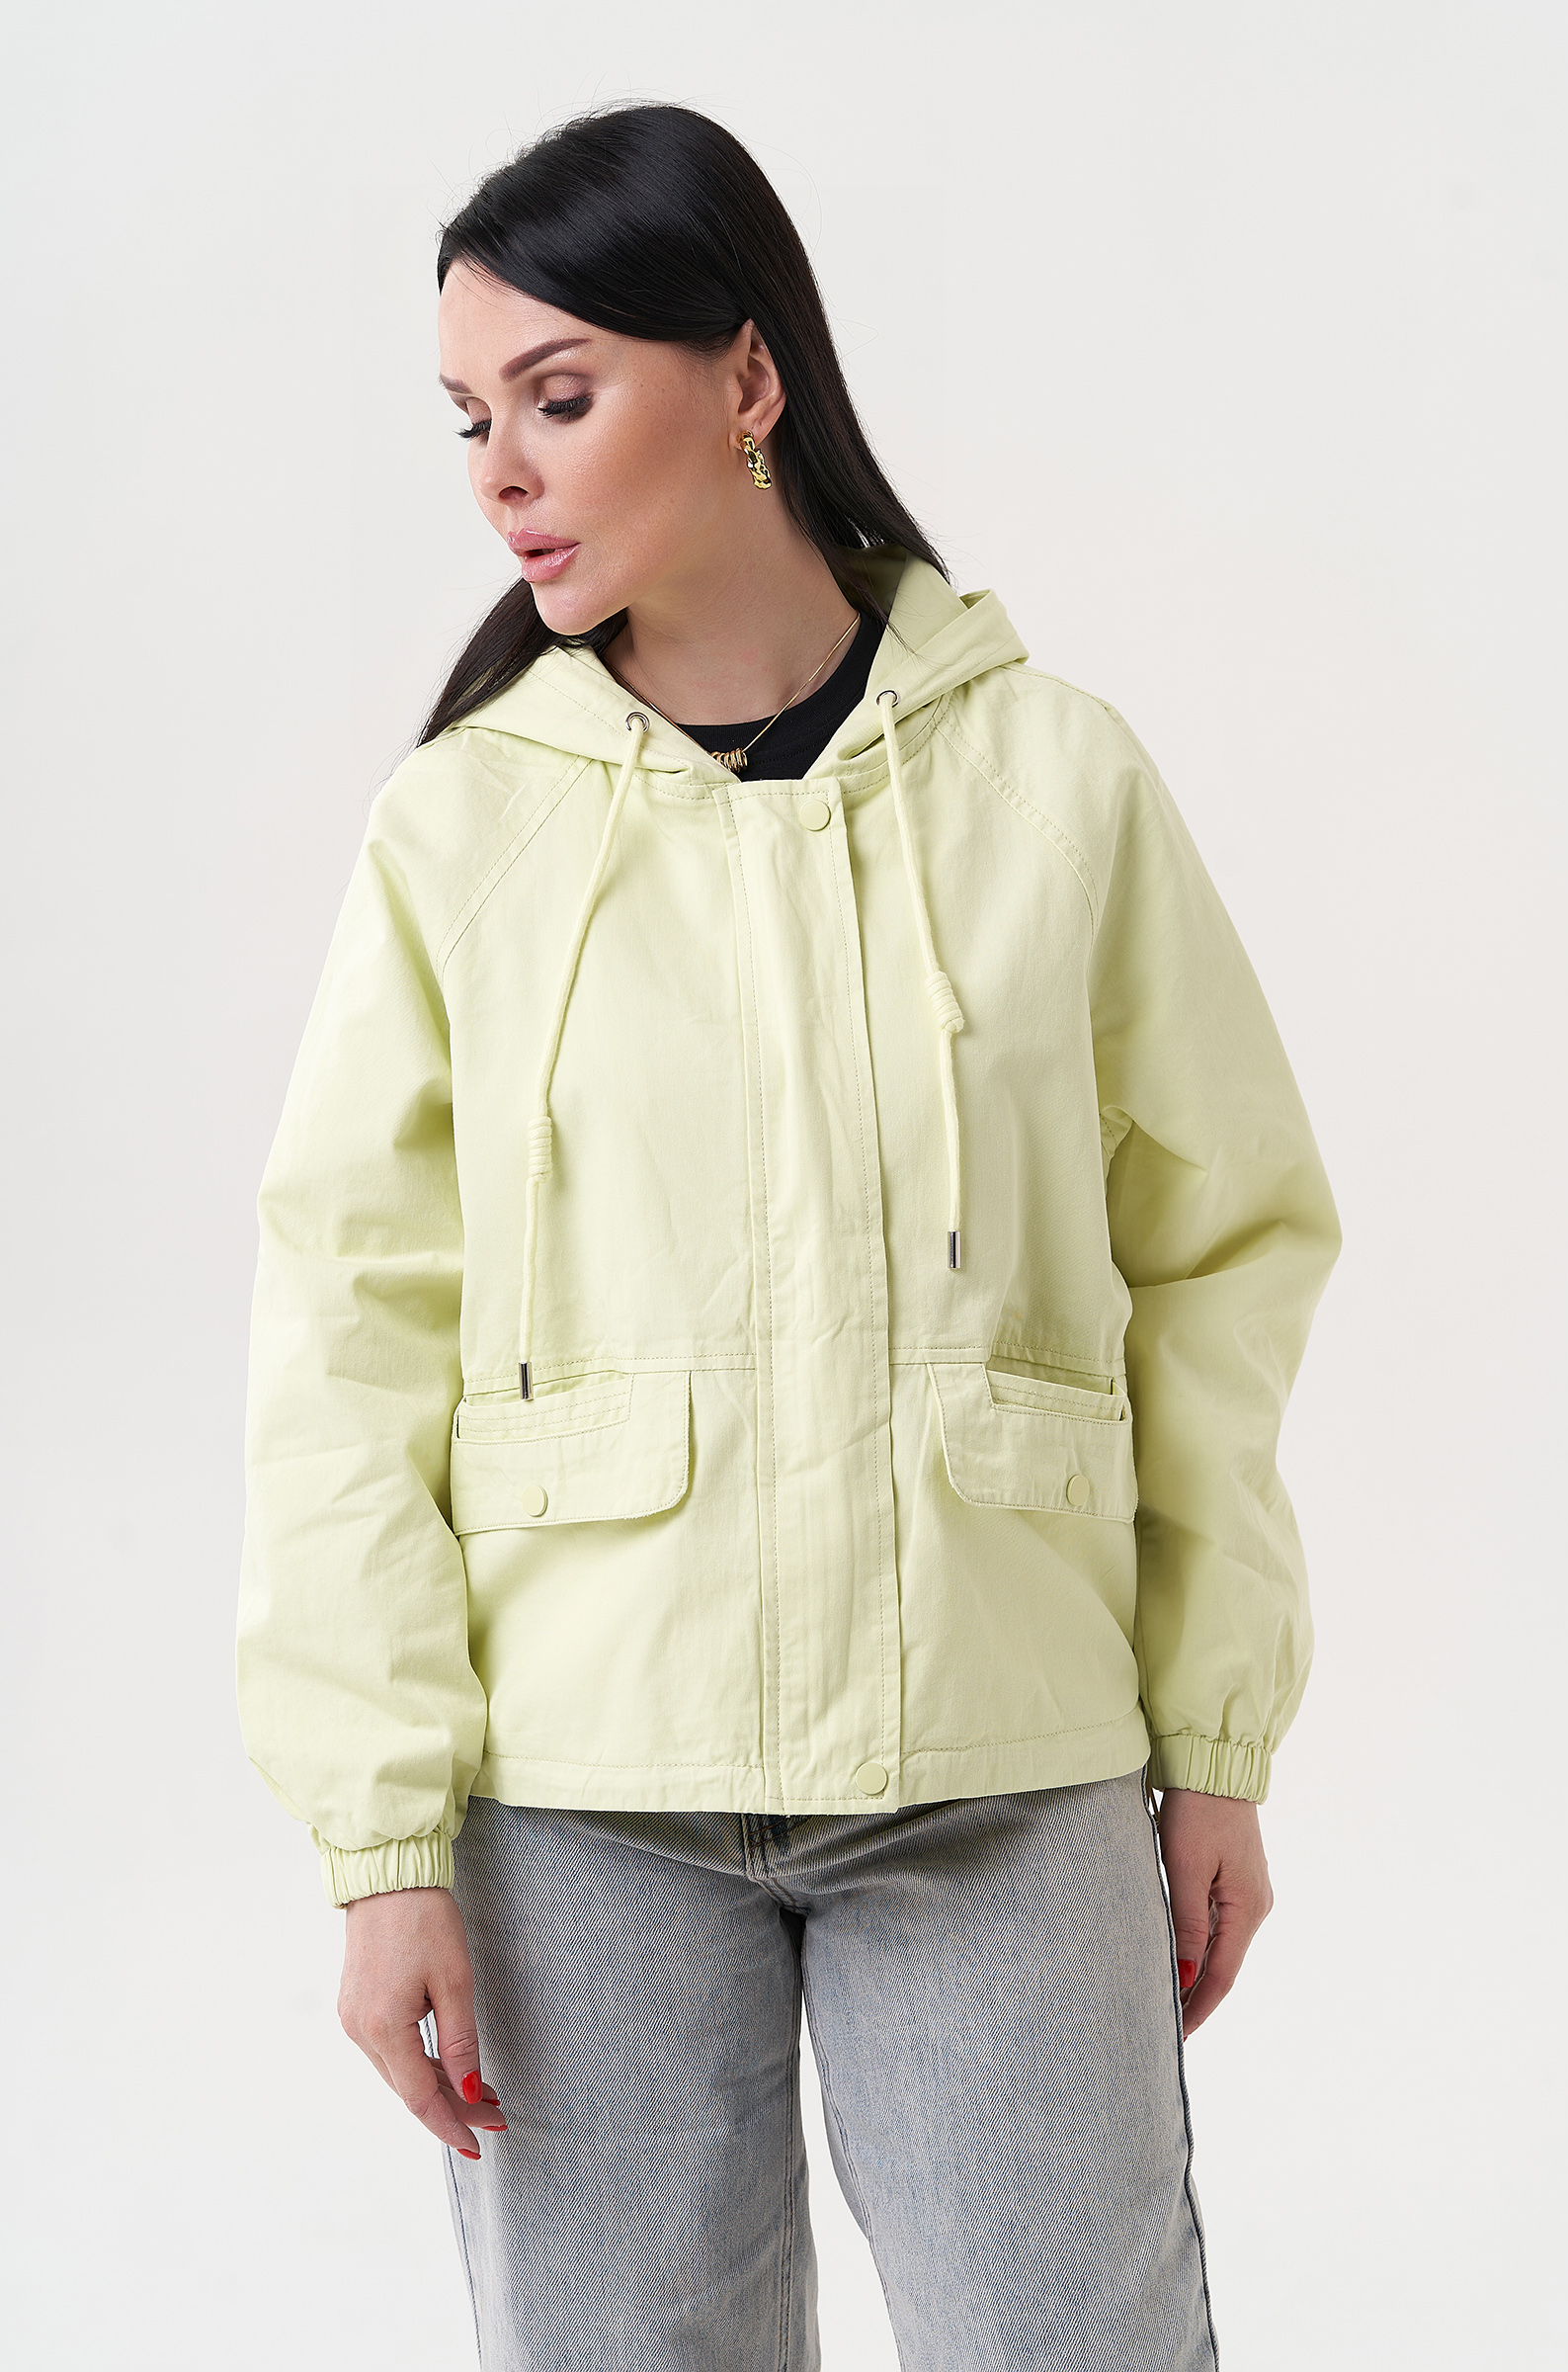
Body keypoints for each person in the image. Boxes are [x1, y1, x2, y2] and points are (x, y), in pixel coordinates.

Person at [237, 100, 1341, 2371]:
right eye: (467, 418)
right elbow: (345, 1344)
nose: (499, 472)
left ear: (744, 377)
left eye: (557, 395)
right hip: (580, 1806)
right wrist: (382, 1844)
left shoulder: (1052, 784)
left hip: (1002, 1770)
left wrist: (1214, 1730)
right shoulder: (459, 834)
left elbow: (1222, 1249)